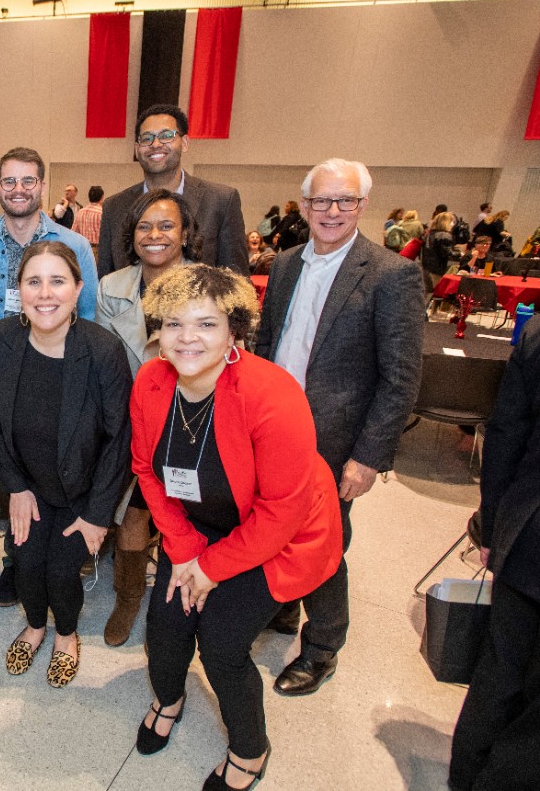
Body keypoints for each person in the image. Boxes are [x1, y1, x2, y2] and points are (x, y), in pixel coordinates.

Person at [130, 264, 341, 789]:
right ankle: (168, 700)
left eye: (206, 324)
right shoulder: (151, 380)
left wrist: (210, 568)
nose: (187, 338)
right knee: (166, 623)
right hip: (198, 529)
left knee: (222, 644)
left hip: (280, 537)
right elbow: (145, 471)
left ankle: (251, 749)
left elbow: (281, 513)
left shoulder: (273, 393)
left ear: (234, 332)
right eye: (174, 324)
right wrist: (183, 551)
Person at [254, 158, 423, 696]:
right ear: (302, 206)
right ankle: (281, 607)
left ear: (362, 205)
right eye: (321, 200)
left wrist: (369, 457)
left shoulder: (391, 275)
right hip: (274, 432)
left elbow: (401, 379)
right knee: (272, 526)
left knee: (324, 544)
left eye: (344, 200)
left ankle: (323, 647)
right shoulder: (283, 265)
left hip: (336, 442)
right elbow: (268, 347)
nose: (331, 211)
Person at [449, 299, 540, 790]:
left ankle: (465, 777)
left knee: (500, 672)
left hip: (529, 534)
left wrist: (495, 526)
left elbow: (504, 437)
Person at [0, 241, 132, 687]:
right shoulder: (2, 339)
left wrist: (97, 516)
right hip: (27, 483)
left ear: (78, 289)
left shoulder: (102, 351)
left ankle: (66, 635)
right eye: (34, 281)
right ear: (20, 290)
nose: (45, 293)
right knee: (26, 565)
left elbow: (120, 439)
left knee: (61, 572)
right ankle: (34, 627)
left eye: (57, 281)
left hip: (82, 493)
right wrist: (15, 486)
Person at [0, 147, 99, 607]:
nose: (18, 190)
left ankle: (18, 565)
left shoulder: (73, 246)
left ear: (43, 186)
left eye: (28, 181)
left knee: (33, 480)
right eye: (9, 181)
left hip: (47, 381)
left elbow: (89, 318)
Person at [96, 188, 201, 647]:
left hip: (191, 421)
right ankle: (128, 594)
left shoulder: (209, 285)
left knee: (193, 516)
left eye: (166, 226)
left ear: (185, 234)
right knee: (135, 510)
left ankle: (194, 599)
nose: (154, 235)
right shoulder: (112, 287)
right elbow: (104, 360)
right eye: (144, 226)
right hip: (132, 419)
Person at [98, 104, 249, 277]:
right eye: (146, 138)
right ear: (136, 149)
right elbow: (105, 277)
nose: (155, 144)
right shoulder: (114, 207)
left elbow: (238, 282)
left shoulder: (221, 201)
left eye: (166, 136)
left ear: (184, 143)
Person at [422, 211, 457, 298]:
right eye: (452, 221)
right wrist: (460, 254)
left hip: (426, 267)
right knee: (437, 294)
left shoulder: (429, 234)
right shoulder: (444, 235)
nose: (453, 224)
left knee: (427, 293)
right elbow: (447, 253)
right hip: (437, 268)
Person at [73, 186, 104, 259]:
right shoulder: (102, 213)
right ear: (102, 197)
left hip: (83, 249)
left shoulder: (80, 212)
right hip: (97, 251)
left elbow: (74, 232)